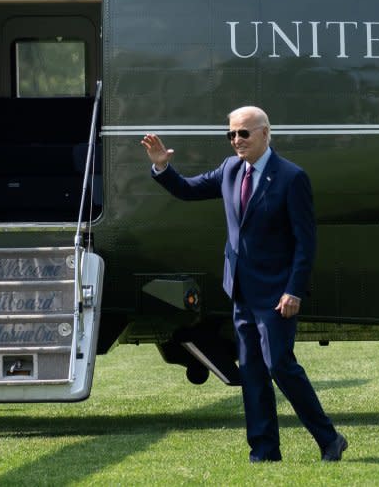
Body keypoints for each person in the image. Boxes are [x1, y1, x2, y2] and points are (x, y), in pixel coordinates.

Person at [141, 106, 347, 462]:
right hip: (241, 291)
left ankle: (329, 438)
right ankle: (264, 451)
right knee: (251, 372)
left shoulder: (291, 177)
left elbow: (305, 242)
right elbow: (188, 190)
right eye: (231, 134)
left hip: (278, 293)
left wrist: (294, 289)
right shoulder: (230, 169)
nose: (236, 140)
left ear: (265, 133)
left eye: (243, 134)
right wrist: (162, 166)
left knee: (280, 365)